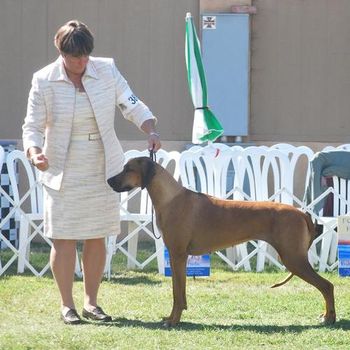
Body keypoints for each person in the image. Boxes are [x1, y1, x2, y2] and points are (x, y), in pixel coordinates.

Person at [22, 20, 161, 325]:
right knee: (64, 237)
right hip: (61, 166)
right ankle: (67, 305)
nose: (82, 62)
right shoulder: (43, 80)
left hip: (104, 166)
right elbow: (32, 126)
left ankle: (92, 303)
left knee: (98, 235)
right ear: (62, 53)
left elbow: (131, 103)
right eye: (75, 58)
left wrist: (149, 127)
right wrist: (34, 152)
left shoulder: (107, 69)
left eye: (86, 56)